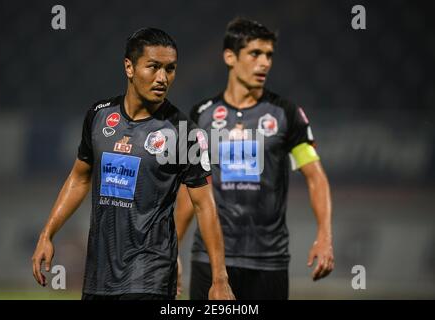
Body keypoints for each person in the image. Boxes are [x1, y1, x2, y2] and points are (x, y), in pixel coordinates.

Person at [31, 27, 234, 300]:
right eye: (154, 67)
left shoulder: (185, 133)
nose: (163, 77)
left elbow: (204, 204)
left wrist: (219, 278)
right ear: (129, 67)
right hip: (98, 275)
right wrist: (47, 234)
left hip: (150, 274)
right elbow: (79, 178)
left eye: (170, 69)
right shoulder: (99, 117)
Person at [175, 18, 334, 300]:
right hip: (211, 260)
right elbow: (192, 189)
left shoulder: (286, 114)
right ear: (230, 57)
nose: (264, 63)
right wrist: (171, 250)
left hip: (268, 261)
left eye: (269, 55)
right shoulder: (202, 114)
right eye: (255, 54)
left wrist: (324, 235)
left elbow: (315, 177)